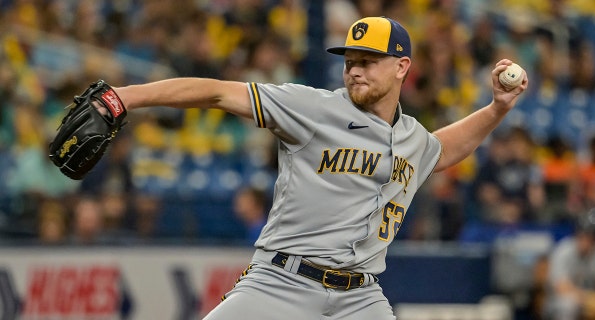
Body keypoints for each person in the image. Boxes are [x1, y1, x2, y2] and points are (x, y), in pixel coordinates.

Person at [110, 16, 527, 320]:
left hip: (360, 298)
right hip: (282, 283)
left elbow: (443, 150)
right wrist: (124, 96)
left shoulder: (413, 138)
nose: (355, 69)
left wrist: (496, 109)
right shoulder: (311, 108)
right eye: (350, 61)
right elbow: (218, 93)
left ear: (402, 67)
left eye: (368, 60)